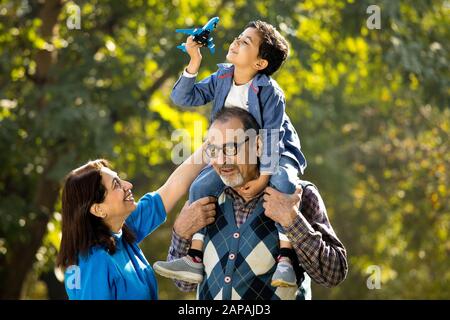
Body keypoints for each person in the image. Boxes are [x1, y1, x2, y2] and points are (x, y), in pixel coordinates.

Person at [162, 20, 307, 286]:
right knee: (199, 187)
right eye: (239, 37)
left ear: (260, 63)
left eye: (245, 42)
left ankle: (285, 259)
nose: (236, 42)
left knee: (284, 183)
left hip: (272, 152)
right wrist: (194, 60)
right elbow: (185, 98)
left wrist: (263, 179)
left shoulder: (270, 92)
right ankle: (194, 257)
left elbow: (272, 138)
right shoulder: (222, 77)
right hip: (232, 158)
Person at [154, 107, 348, 300]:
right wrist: (181, 232)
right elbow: (184, 283)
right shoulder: (205, 198)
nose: (221, 160)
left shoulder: (298, 195)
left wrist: (292, 220)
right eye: (213, 150)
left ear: (257, 145)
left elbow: (333, 274)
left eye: (231, 148)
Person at [56, 146, 215, 300]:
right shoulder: (95, 263)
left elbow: (173, 186)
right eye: (116, 185)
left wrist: (214, 143)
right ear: (98, 209)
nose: (128, 185)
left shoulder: (121, 230)